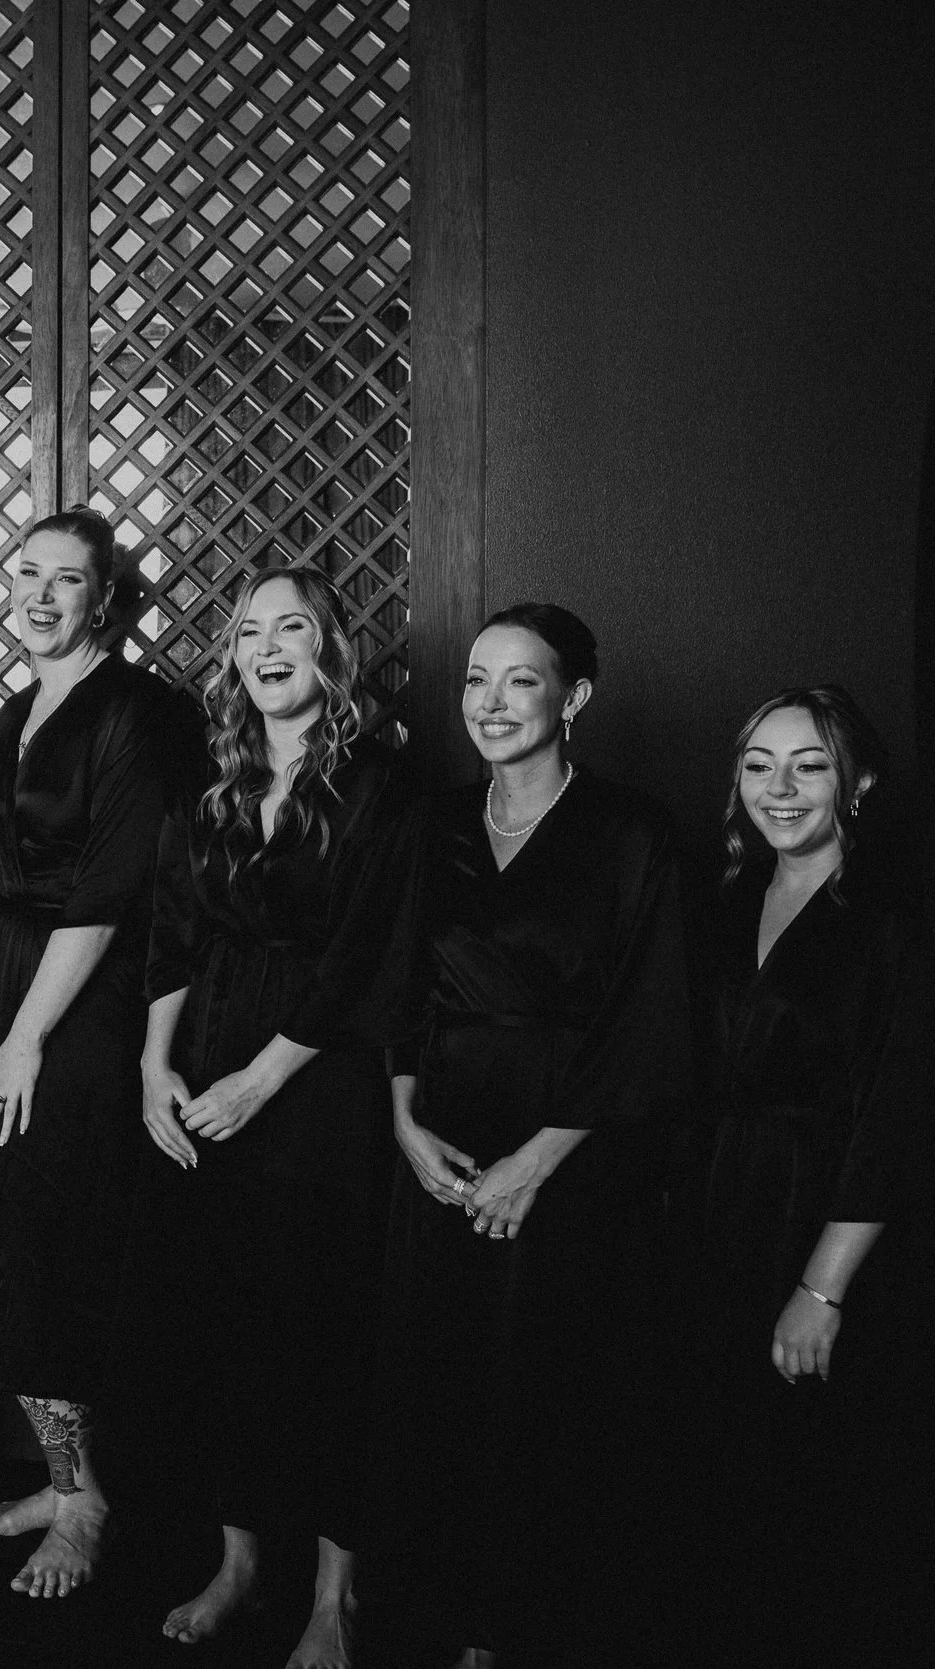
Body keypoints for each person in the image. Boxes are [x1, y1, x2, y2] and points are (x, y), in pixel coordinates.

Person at [366, 603, 691, 1667]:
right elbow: (397, 985)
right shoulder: (434, 824)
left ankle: (513, 1634)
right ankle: (445, 1616)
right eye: (475, 681)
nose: (491, 705)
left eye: (520, 682)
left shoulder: (632, 832)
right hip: (445, 1137)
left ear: (573, 698)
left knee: (541, 1395)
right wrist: (406, 1117)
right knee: (440, 1386)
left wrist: (535, 1164)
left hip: (568, 1148)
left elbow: (651, 1017)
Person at [138, 567, 424, 1662]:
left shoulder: (383, 788)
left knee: (322, 1331)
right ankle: (241, 1562)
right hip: (203, 1068)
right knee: (222, 1324)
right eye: (249, 630)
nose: (267, 646)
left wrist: (261, 1080)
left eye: (291, 627)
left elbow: (367, 957)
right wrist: (155, 1067)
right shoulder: (212, 780)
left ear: (330, 653)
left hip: (318, 1085)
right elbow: (171, 927)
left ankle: (331, 1596)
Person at [0, 508, 201, 1599]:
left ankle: (86, 1501)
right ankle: (64, 1477)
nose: (40, 595)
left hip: (80, 1010)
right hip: (9, 999)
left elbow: (112, 887)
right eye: (26, 574)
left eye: (67, 580)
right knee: (3, 1249)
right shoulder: (14, 708)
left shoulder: (144, 710)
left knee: (57, 1252)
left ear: (109, 600)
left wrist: (25, 1038)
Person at [686, 686, 917, 1666]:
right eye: (758, 765)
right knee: (712, 1482)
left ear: (855, 781)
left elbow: (894, 1120)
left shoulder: (887, 921)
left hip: (819, 1224)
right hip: (711, 1214)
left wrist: (821, 1286)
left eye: (808, 765)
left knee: (804, 1491)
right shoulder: (725, 900)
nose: (779, 788)